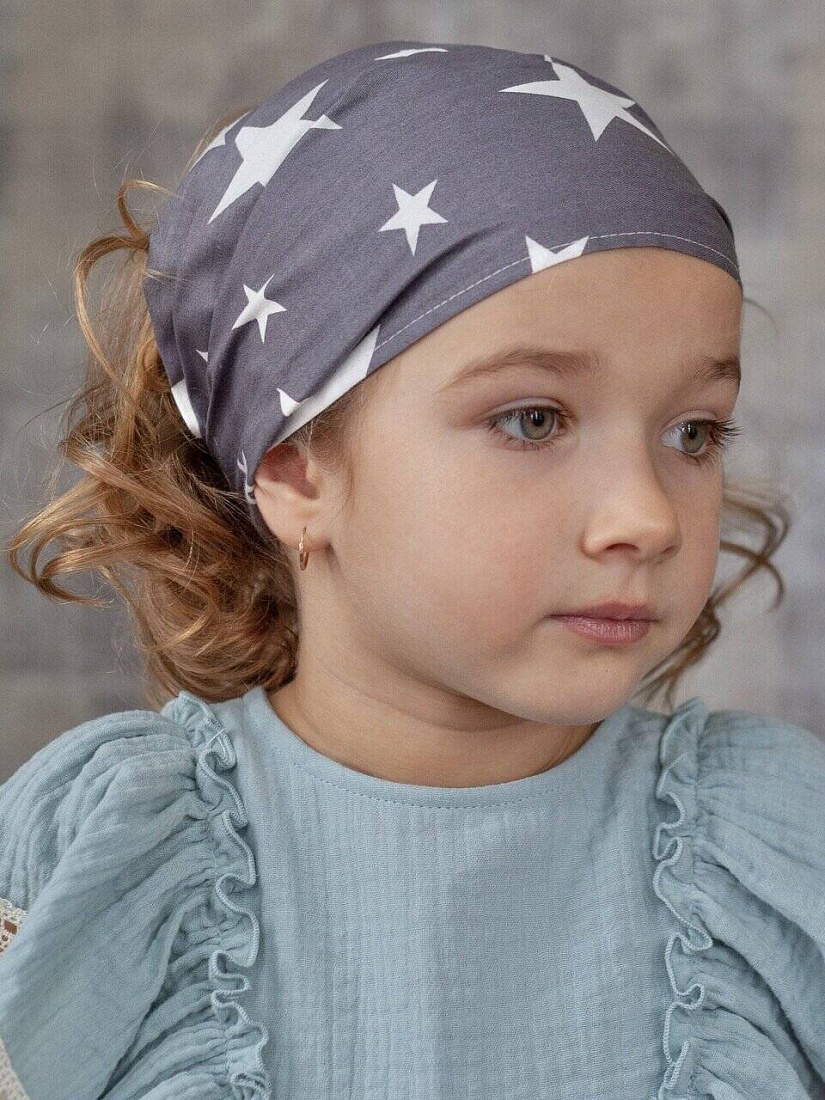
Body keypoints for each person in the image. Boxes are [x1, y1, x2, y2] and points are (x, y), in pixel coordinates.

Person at [2, 39, 823, 1100]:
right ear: (295, 470)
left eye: (694, 432)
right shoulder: (111, 853)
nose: (647, 517)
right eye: (533, 419)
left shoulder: (781, 847)